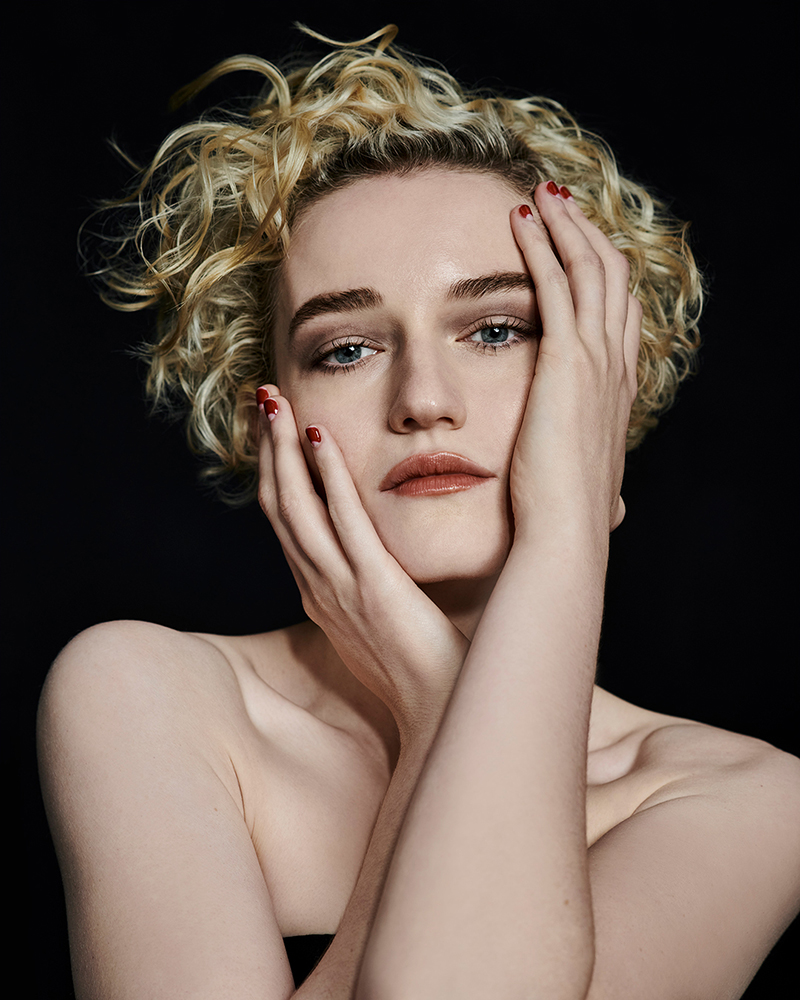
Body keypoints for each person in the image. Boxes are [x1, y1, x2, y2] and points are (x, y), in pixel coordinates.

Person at [36, 24, 800, 999]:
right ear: (267, 409)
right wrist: (438, 706)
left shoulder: (746, 798)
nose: (423, 399)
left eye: (497, 329)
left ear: (604, 383)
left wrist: (562, 540)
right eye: (346, 349)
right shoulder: (150, 693)